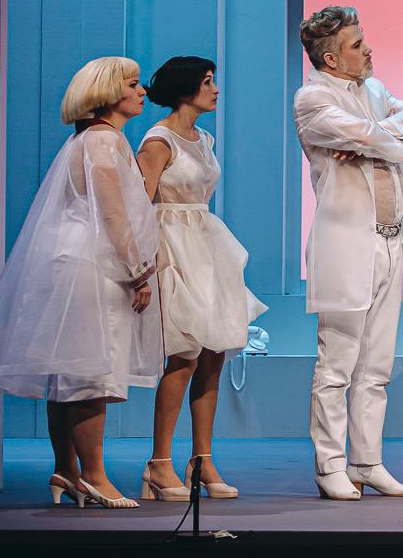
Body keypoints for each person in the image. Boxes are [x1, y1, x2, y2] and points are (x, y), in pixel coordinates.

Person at [0, 57, 161, 509]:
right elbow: (112, 211)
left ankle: (66, 470)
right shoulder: (104, 140)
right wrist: (138, 270)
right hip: (94, 263)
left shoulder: (86, 140)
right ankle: (94, 475)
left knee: (69, 369)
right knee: (91, 371)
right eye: (133, 84)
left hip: (74, 257)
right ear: (108, 91)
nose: (142, 91)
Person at [294, 6, 403, 501]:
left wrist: (377, 136)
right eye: (357, 45)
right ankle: (329, 464)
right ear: (332, 58)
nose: (368, 49)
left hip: (391, 238)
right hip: (347, 242)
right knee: (337, 364)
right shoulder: (313, 97)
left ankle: (367, 461)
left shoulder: (373, 90)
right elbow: (387, 141)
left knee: (376, 365)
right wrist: (385, 138)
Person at [136, 57, 268, 502]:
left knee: (214, 353)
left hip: (205, 243)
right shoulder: (158, 140)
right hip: (171, 246)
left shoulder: (204, 138)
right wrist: (143, 265)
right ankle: (159, 462)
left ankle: (202, 459)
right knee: (183, 356)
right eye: (207, 82)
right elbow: (140, 205)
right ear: (185, 88)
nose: (215, 89)